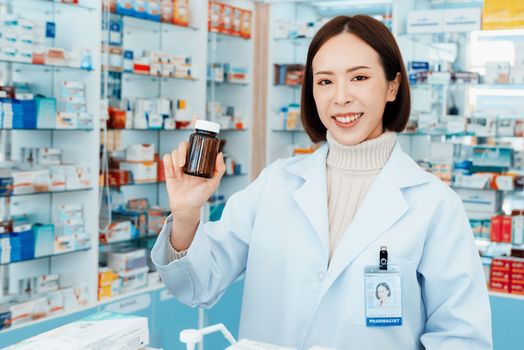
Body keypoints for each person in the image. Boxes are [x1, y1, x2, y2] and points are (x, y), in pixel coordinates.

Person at [151, 15, 492, 350]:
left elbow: (462, 339)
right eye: (325, 81)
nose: (340, 97)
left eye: (358, 77)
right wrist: (186, 214)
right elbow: (197, 287)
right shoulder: (276, 183)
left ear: (393, 86)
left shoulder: (434, 205)